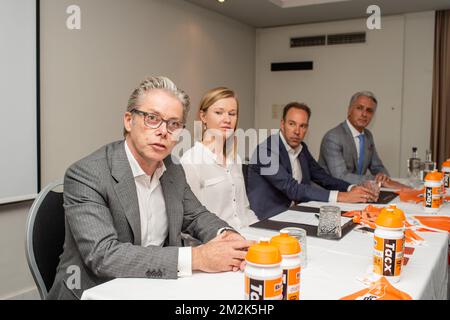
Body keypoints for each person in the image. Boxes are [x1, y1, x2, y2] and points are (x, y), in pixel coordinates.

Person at [47, 77, 253, 300]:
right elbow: (103, 256)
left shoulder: (173, 168)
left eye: (174, 124)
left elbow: (197, 216)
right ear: (129, 120)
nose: (164, 131)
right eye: (152, 118)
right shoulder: (87, 174)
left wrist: (229, 237)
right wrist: (197, 257)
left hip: (154, 287)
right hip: (96, 290)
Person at [247, 102, 377, 220]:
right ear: (282, 124)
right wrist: (342, 196)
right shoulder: (265, 151)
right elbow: (292, 188)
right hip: (268, 218)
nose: (297, 131)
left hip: (295, 212)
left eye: (302, 126)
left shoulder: (301, 148)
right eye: (291, 124)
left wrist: (352, 188)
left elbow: (323, 177)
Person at [180, 87, 258, 230]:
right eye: (219, 112)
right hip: (217, 242)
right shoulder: (190, 161)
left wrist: (262, 234)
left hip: (246, 236)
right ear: (203, 117)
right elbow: (190, 220)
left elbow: (245, 211)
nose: (227, 119)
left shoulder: (236, 159)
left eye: (232, 114)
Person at [318, 91, 409, 189]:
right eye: (359, 108)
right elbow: (340, 176)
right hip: (331, 194)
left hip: (358, 192)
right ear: (349, 110)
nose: (364, 114)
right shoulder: (333, 137)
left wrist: (383, 176)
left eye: (369, 110)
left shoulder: (368, 136)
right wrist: (375, 179)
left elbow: (377, 166)